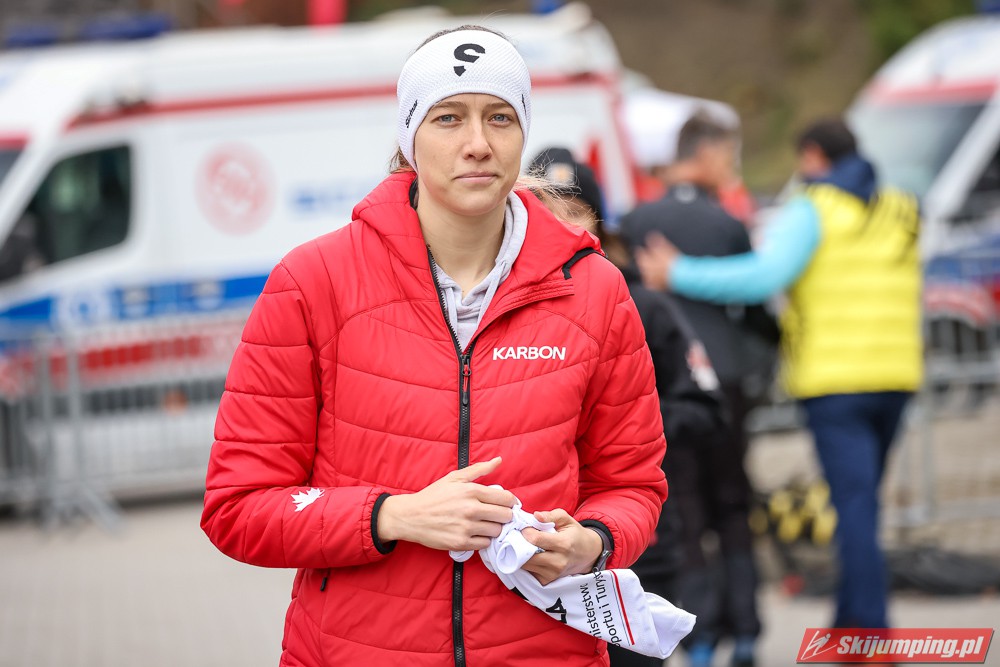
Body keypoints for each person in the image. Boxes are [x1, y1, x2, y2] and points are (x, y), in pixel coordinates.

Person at [201, 25, 669, 667]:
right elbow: (237, 507)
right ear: (408, 136)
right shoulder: (313, 283)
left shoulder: (594, 289)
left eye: (500, 117)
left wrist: (593, 541)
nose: (478, 143)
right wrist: (392, 516)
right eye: (449, 117)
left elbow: (633, 484)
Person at [635, 118, 923, 632]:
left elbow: (764, 277)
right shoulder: (901, 207)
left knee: (853, 506)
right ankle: (849, 619)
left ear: (812, 156)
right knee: (862, 503)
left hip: (836, 381)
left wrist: (678, 272)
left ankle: (868, 632)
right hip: (897, 375)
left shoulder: (811, 208)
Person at [529, 147, 729, 667]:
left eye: (576, 214)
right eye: (547, 213)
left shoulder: (642, 304)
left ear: (600, 223)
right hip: (534, 561)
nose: (563, 228)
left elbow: (707, 405)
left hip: (638, 550)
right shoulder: (500, 311)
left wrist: (626, 425)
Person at [619, 113, 765, 667]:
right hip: (725, 381)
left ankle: (696, 637)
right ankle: (745, 631)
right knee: (733, 504)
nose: (731, 168)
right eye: (727, 156)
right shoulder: (727, 221)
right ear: (703, 154)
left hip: (667, 385)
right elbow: (753, 306)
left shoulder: (637, 220)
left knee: (684, 507)